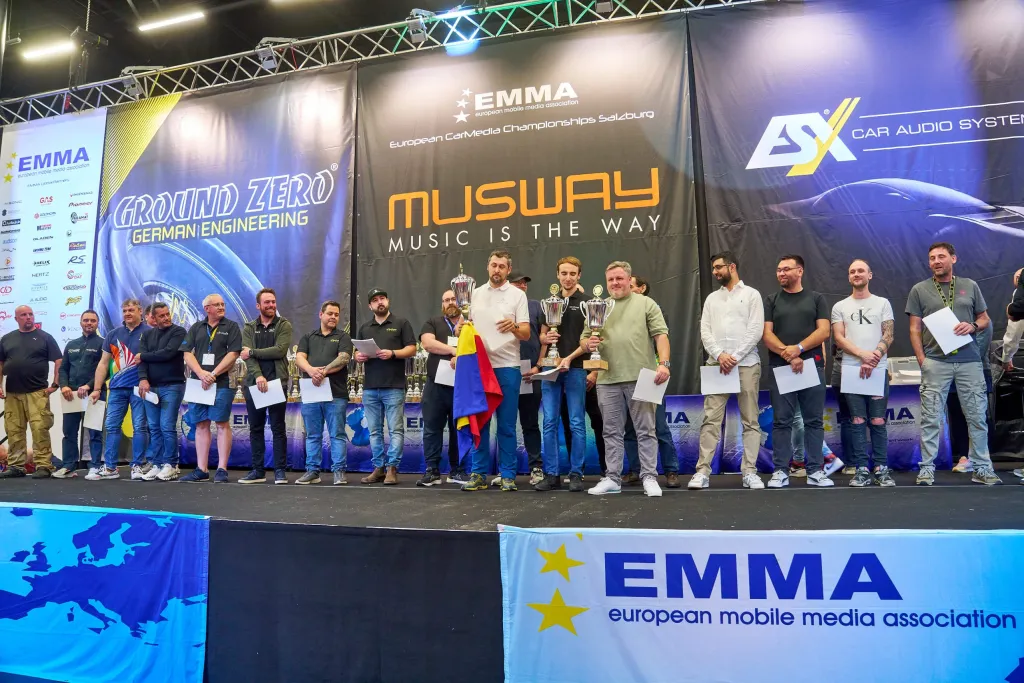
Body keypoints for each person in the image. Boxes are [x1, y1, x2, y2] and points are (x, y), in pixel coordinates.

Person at [907, 242, 1001, 485]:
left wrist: (973, 326)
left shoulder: (970, 285)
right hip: (936, 361)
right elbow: (914, 328)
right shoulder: (919, 289)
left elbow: (985, 319)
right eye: (932, 258)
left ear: (953, 259)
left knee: (977, 416)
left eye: (941, 256)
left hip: (969, 361)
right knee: (930, 417)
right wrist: (922, 360)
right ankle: (926, 469)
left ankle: (982, 468)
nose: (936, 261)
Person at [586, 261, 671, 497]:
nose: (615, 283)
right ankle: (613, 478)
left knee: (646, 430)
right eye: (611, 279)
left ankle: (649, 477)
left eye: (619, 278)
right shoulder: (599, 306)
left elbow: (661, 336)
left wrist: (664, 364)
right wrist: (588, 343)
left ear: (629, 280)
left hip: (643, 377)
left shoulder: (646, 303)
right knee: (610, 432)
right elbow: (585, 339)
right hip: (607, 379)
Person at [693, 251, 764, 490]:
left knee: (751, 420)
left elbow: (756, 330)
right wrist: (720, 355)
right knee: (710, 420)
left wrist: (734, 357)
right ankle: (702, 472)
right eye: (713, 268)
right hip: (717, 365)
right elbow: (705, 331)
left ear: (732, 267)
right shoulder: (712, 298)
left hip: (746, 364)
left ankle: (750, 472)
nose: (715, 272)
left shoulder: (752, 294)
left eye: (718, 267)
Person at [461, 250, 531, 492]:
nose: (497, 269)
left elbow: (526, 333)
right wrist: (462, 330)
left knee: (507, 425)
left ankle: (508, 475)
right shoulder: (475, 293)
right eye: (494, 265)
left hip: (508, 366)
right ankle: (478, 473)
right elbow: (468, 327)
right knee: (480, 422)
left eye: (502, 266)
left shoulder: (517, 295)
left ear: (508, 270)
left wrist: (514, 326)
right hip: (479, 367)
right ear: (488, 267)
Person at [762, 254, 833, 488]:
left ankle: (815, 471)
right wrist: (789, 354)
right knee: (782, 421)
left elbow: (824, 331)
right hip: (781, 367)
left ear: (800, 271)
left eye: (786, 269)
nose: (781, 273)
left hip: (812, 366)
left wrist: (799, 349)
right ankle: (780, 471)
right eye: (779, 270)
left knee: (813, 421)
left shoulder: (816, 299)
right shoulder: (771, 300)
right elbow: (767, 334)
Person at [831, 259, 896, 487]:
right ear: (849, 277)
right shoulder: (840, 306)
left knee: (877, 420)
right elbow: (839, 338)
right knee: (857, 420)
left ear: (870, 275)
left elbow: (888, 334)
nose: (856, 274)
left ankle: (881, 468)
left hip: (878, 368)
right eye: (852, 271)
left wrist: (874, 356)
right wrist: (862, 355)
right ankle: (861, 469)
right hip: (851, 369)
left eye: (861, 271)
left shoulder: (882, 303)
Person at [535, 257, 588, 492]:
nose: (568, 278)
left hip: (576, 367)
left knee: (576, 422)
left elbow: (592, 339)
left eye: (572, 273)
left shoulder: (587, 303)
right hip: (550, 367)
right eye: (564, 273)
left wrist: (571, 358)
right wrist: (544, 338)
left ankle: (576, 473)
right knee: (549, 422)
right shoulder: (549, 302)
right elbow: (542, 335)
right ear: (557, 275)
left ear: (579, 276)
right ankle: (551, 474)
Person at [176, 294, 242, 483]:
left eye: (223, 304)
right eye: (217, 305)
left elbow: (233, 354)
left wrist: (213, 374)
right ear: (207, 308)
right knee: (201, 424)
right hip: (199, 383)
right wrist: (201, 373)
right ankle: (201, 469)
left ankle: (222, 469)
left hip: (222, 382)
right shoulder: (196, 327)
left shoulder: (231, 327)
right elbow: (187, 353)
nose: (221, 307)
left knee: (221, 423)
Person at [623, 275, 679, 487]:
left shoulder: (653, 309)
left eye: (631, 285)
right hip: (626, 375)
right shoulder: (620, 311)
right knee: (630, 427)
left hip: (650, 374)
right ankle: (635, 470)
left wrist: (663, 365)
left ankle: (671, 470)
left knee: (658, 425)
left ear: (642, 288)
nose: (627, 288)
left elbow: (660, 340)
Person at [356, 289, 417, 485]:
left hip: (394, 386)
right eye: (375, 300)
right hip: (370, 387)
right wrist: (358, 356)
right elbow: (357, 352)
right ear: (370, 306)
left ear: (388, 301)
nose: (379, 302)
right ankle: (379, 467)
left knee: (395, 430)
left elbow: (412, 348)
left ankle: (392, 468)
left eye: (382, 298)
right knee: (374, 431)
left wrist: (393, 353)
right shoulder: (365, 327)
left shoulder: (401, 323)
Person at [87, 298, 151, 481]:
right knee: (111, 426)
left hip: (140, 387)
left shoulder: (149, 332)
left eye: (131, 310)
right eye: (125, 311)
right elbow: (103, 363)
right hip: (116, 388)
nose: (127, 314)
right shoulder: (113, 334)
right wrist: (97, 388)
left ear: (140, 311)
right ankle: (110, 467)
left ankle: (137, 465)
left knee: (140, 426)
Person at [238, 288, 294, 484]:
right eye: (267, 302)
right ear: (258, 306)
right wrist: (259, 375)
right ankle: (258, 471)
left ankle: (280, 471)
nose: (271, 305)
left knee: (278, 428)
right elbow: (247, 358)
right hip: (255, 384)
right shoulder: (249, 327)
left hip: (277, 383)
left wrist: (253, 352)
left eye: (273, 302)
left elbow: (279, 351)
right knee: (256, 428)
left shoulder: (284, 324)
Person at [295, 300, 352, 485]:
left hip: (336, 394)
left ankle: (339, 471)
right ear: (321, 314)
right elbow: (299, 358)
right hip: (312, 392)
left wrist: (323, 371)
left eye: (336, 314)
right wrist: (312, 371)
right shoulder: (308, 337)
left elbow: (344, 358)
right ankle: (312, 471)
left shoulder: (343, 337)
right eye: (330, 313)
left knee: (337, 434)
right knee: (313, 435)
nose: (333, 317)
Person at [0, 306, 61, 479]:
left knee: (40, 429)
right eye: (24, 315)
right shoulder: (7, 339)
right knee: (14, 430)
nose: (28, 317)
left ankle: (43, 465)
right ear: (16, 318)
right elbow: (1, 364)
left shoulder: (45, 337)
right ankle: (16, 466)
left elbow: (58, 360)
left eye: (30, 314)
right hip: (12, 393)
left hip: (37, 392)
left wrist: (55, 384)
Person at [417, 289, 466, 487]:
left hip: (461, 386)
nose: (450, 302)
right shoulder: (433, 322)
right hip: (435, 385)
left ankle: (457, 470)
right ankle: (432, 470)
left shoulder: (469, 323)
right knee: (431, 428)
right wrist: (455, 351)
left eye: (454, 299)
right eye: (446, 300)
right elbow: (427, 343)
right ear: (442, 304)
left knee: (459, 429)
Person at [137, 303, 187, 482]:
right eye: (162, 316)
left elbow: (168, 353)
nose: (166, 318)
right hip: (151, 388)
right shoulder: (147, 335)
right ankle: (157, 464)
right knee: (154, 427)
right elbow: (141, 362)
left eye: (167, 314)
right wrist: (143, 378)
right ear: (153, 318)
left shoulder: (178, 331)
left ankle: (171, 464)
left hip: (173, 386)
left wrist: (143, 356)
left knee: (166, 426)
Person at [53, 309, 105, 478]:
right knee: (69, 432)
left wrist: (89, 386)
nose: (89, 323)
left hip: (94, 394)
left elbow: (105, 370)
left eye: (92, 320)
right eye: (86, 320)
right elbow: (63, 369)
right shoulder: (71, 344)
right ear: (80, 322)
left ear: (97, 323)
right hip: (71, 395)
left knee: (95, 432)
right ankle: (69, 466)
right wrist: (64, 386)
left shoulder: (103, 344)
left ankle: (95, 466)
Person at [507, 271, 544, 487]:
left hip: (530, 372)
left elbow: (545, 339)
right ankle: (507, 471)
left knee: (530, 423)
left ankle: (536, 467)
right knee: (506, 424)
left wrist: (539, 365)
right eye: (517, 283)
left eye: (524, 283)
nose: (522, 286)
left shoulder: (536, 306)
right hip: (505, 371)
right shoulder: (499, 308)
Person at [560, 372, 605, 475]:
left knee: (600, 424)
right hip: (566, 381)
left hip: (589, 381)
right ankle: (576, 470)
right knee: (569, 427)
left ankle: (606, 468)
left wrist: (594, 373)